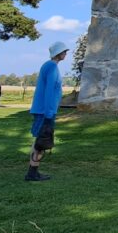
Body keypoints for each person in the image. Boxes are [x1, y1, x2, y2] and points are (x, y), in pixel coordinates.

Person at [26, 41, 68, 182]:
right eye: (63, 52)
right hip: (45, 110)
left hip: (45, 109)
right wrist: (49, 112)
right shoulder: (51, 67)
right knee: (41, 141)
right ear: (58, 53)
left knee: (40, 140)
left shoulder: (50, 66)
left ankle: (33, 171)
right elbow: (50, 90)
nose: (65, 54)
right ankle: (32, 172)